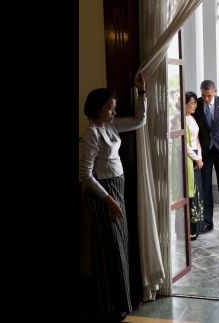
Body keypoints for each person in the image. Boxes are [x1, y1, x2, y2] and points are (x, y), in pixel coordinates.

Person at [79, 73, 147, 323]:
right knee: (106, 251)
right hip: (103, 196)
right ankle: (104, 304)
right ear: (98, 108)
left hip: (116, 190)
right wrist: (108, 199)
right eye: (110, 108)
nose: (114, 113)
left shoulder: (110, 126)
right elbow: (85, 175)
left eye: (114, 108)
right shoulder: (90, 134)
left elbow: (140, 121)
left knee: (119, 246)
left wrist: (142, 93)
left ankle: (120, 301)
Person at [193, 79, 219, 238]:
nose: (206, 99)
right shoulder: (196, 104)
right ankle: (207, 223)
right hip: (204, 153)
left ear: (215, 92)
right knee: (205, 189)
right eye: (204, 95)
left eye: (209, 96)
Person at [185, 91, 205, 240]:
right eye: (192, 103)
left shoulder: (192, 118)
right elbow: (184, 144)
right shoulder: (179, 120)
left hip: (197, 155)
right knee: (190, 192)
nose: (195, 106)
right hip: (188, 157)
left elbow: (197, 140)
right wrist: (195, 158)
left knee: (197, 191)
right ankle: (188, 228)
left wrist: (200, 158)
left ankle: (197, 226)